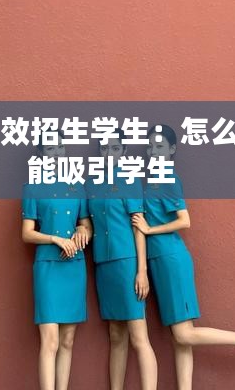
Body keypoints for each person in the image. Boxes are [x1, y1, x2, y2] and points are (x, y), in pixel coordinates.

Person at [131, 124, 235, 390]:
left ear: (172, 149)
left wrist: (150, 229)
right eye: (151, 146)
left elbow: (184, 220)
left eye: (160, 146)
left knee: (183, 335)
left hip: (171, 260)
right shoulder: (153, 179)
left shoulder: (168, 178)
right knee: (180, 337)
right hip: (158, 261)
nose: (153, 151)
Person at [85, 131, 158, 390]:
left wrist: (142, 271)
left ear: (124, 151)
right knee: (116, 334)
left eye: (115, 148)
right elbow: (88, 223)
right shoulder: (91, 184)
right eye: (104, 148)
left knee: (139, 336)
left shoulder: (130, 180)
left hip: (127, 264)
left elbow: (139, 227)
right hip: (103, 265)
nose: (109, 153)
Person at [21, 132, 92, 390]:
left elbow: (86, 225)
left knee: (68, 340)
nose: (56, 153)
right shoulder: (32, 187)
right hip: (48, 267)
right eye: (50, 148)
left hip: (74, 265)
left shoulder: (77, 186)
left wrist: (83, 231)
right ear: (41, 154)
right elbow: (27, 233)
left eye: (60, 147)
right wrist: (55, 239)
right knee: (50, 340)